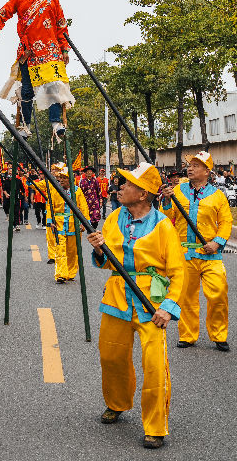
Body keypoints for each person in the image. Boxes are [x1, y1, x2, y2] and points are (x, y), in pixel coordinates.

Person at [86, 162, 185, 450]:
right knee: (111, 357)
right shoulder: (114, 218)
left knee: (154, 366)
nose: (120, 187)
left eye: (127, 184)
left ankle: (155, 426)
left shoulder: (163, 225)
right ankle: (117, 403)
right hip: (116, 298)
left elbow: (178, 272)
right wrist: (97, 249)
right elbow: (107, 264)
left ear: (143, 194)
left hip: (151, 303)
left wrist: (168, 307)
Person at [0, 0, 74, 139]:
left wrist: (65, 48)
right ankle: (25, 125)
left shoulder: (53, 0)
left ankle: (56, 123)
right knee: (27, 90)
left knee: (55, 85)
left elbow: (61, 26)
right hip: (29, 52)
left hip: (51, 50)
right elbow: (3, 13)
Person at [160, 152, 233, 352]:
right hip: (184, 253)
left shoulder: (218, 196)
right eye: (189, 165)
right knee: (186, 297)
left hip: (210, 254)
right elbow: (166, 218)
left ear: (207, 171)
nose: (190, 168)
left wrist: (217, 243)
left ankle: (219, 335)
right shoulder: (178, 191)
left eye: (195, 165)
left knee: (218, 293)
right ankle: (187, 335)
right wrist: (166, 202)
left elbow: (226, 222)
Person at [35, 163, 88, 283]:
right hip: (59, 224)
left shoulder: (77, 191)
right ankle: (61, 274)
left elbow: (83, 207)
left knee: (72, 251)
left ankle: (70, 273)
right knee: (60, 249)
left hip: (73, 225)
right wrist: (50, 221)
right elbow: (50, 206)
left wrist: (84, 223)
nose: (62, 180)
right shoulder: (55, 190)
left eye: (65, 178)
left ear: (70, 179)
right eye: (61, 178)